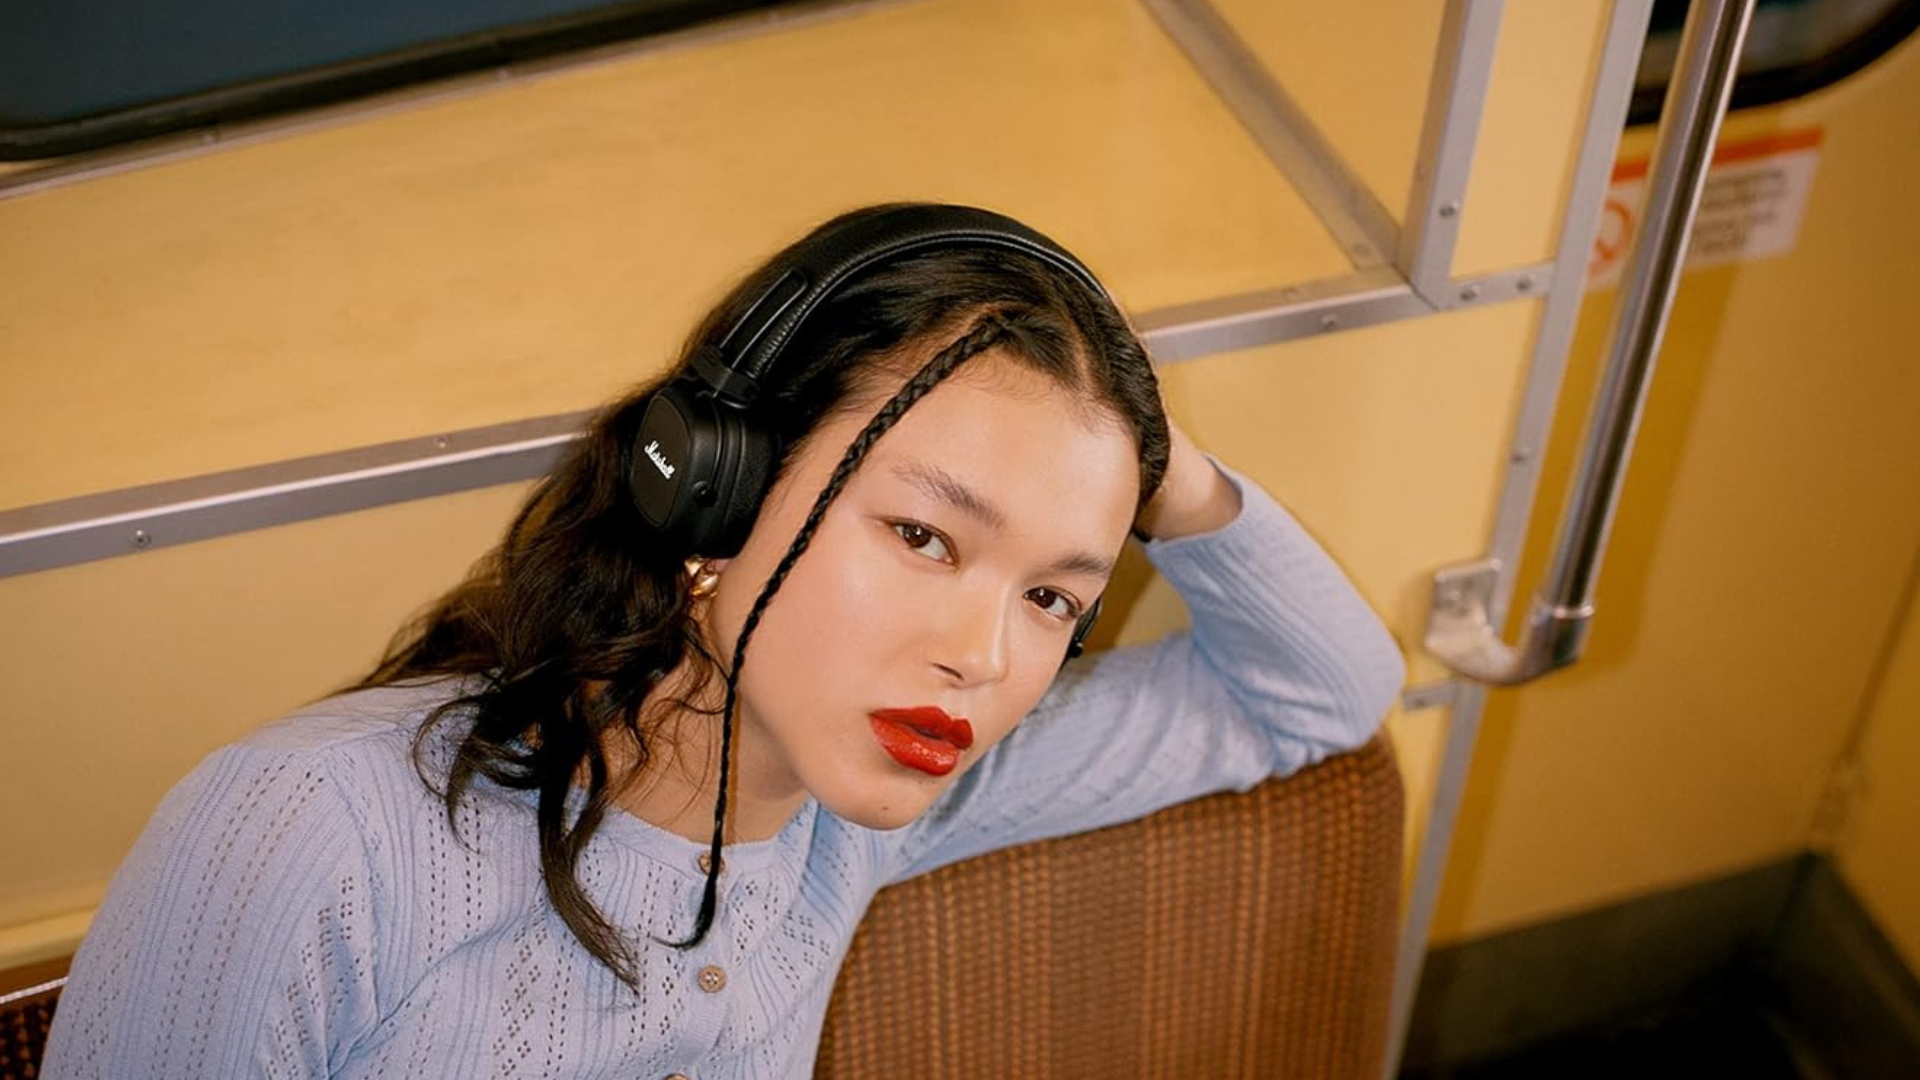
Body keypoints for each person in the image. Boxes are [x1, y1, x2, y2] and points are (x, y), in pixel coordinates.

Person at [41, 203, 1405, 1079]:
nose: (984, 655)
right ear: (715, 492)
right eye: (924, 537)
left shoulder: (865, 811)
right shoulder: (312, 830)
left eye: (1054, 595)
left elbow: (1318, 695)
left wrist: (1145, 464)